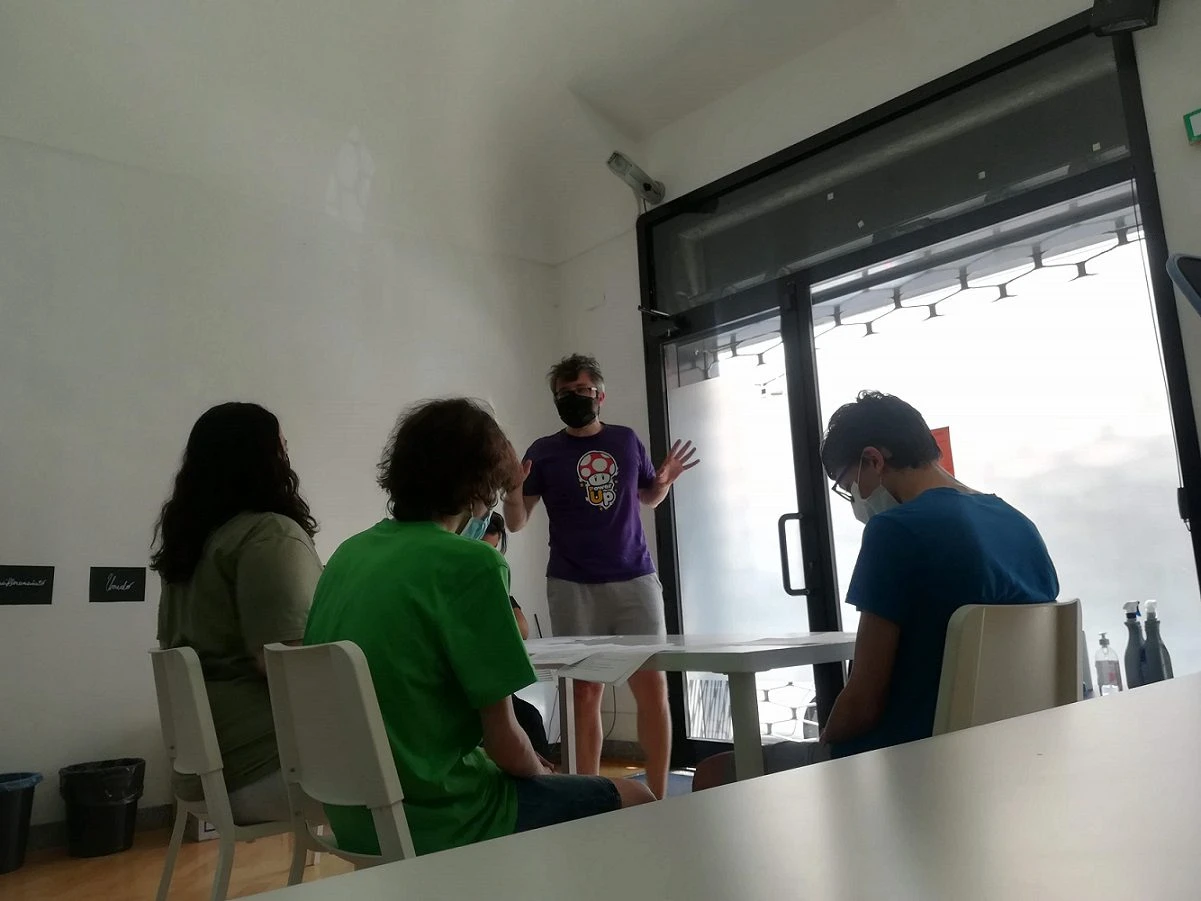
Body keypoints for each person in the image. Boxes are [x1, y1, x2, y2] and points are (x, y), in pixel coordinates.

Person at [304, 399, 653, 857]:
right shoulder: (473, 563)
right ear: (478, 487)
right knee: (637, 798)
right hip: (444, 816)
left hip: (353, 816)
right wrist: (546, 775)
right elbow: (505, 742)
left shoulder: (348, 555)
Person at [693, 391, 1059, 789]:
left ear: (873, 459)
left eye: (848, 485)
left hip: (906, 761)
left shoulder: (896, 530)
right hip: (1008, 760)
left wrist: (826, 747)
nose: (854, 499)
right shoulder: (1019, 524)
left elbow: (863, 703)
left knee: (713, 773)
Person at [504, 354, 699, 800]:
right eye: (564, 393)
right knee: (583, 692)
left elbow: (648, 497)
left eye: (582, 391)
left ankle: (659, 794)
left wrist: (666, 480)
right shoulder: (542, 451)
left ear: (600, 395)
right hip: (571, 585)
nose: (573, 398)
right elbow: (516, 522)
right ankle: (585, 797)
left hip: (635, 579)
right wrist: (512, 492)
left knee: (652, 687)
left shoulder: (626, 440)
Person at [153, 402, 323, 822]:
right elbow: (291, 665)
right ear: (265, 459)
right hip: (264, 768)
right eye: (282, 446)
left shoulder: (192, 548)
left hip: (204, 771)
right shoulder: (270, 534)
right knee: (428, 768)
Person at [482, 512, 551, 758]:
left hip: (493, 683)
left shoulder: (496, 589)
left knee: (529, 717)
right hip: (473, 687)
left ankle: (541, 771)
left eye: (492, 551)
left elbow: (522, 628)